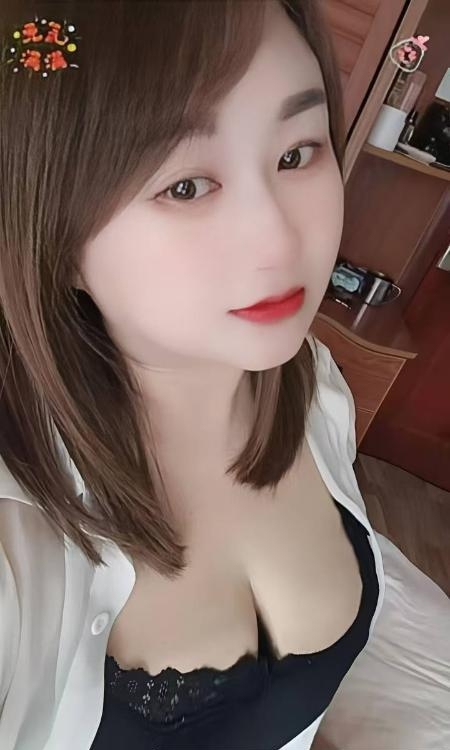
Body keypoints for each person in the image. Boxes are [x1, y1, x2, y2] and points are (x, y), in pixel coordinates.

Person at [0, 2, 448, 750]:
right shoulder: (17, 530)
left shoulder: (315, 386)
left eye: (297, 154)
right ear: (54, 230)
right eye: (184, 186)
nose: (278, 239)